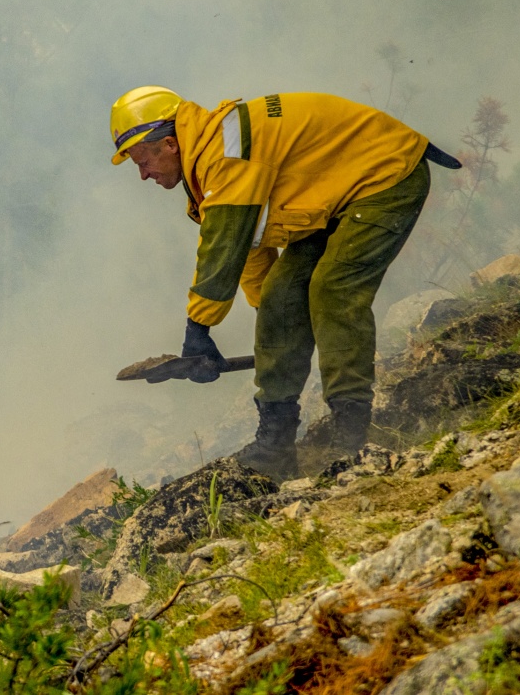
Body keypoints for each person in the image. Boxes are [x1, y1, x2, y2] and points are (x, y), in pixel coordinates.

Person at [109, 87, 457, 481]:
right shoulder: (210, 157)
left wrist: (198, 330)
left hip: (386, 175)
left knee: (333, 289)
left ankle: (351, 437)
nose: (142, 174)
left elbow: (223, 246)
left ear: (169, 143)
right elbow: (246, 244)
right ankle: (275, 445)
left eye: (142, 161)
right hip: (335, 197)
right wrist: (275, 321)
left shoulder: (224, 155)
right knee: (281, 296)